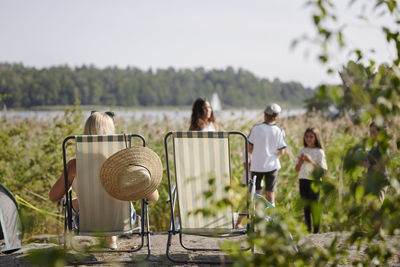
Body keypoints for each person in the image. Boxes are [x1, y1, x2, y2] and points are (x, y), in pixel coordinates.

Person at [49, 111, 159, 249]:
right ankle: (111, 239)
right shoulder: (126, 162)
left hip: (87, 221)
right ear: (112, 133)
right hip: (123, 221)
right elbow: (154, 197)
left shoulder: (74, 166)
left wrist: (70, 185)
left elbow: (53, 196)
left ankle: (78, 205)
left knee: (75, 203)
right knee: (117, 201)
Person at [236, 103, 286, 229]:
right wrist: (271, 156)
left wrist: (258, 154)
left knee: (254, 194)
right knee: (270, 195)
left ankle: (244, 222)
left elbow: (249, 147)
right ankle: (271, 223)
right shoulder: (279, 130)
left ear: (265, 115)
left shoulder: (256, 128)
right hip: (272, 166)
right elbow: (281, 151)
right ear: (277, 116)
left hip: (256, 166)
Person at [295, 127, 327, 234]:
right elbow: (296, 169)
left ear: (316, 138)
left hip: (314, 181)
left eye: (311, 137)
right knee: (306, 207)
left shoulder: (320, 152)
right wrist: (300, 161)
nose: (308, 139)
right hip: (303, 179)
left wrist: (310, 161)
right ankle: (307, 230)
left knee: (314, 206)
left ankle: (316, 231)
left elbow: (322, 170)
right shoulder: (302, 150)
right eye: (307, 136)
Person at [362, 122, 389, 202]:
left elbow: (384, 169)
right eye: (370, 132)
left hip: (379, 183)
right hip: (371, 182)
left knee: (377, 206)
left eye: (373, 132)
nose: (371, 135)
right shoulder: (374, 147)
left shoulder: (384, 148)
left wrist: (369, 165)